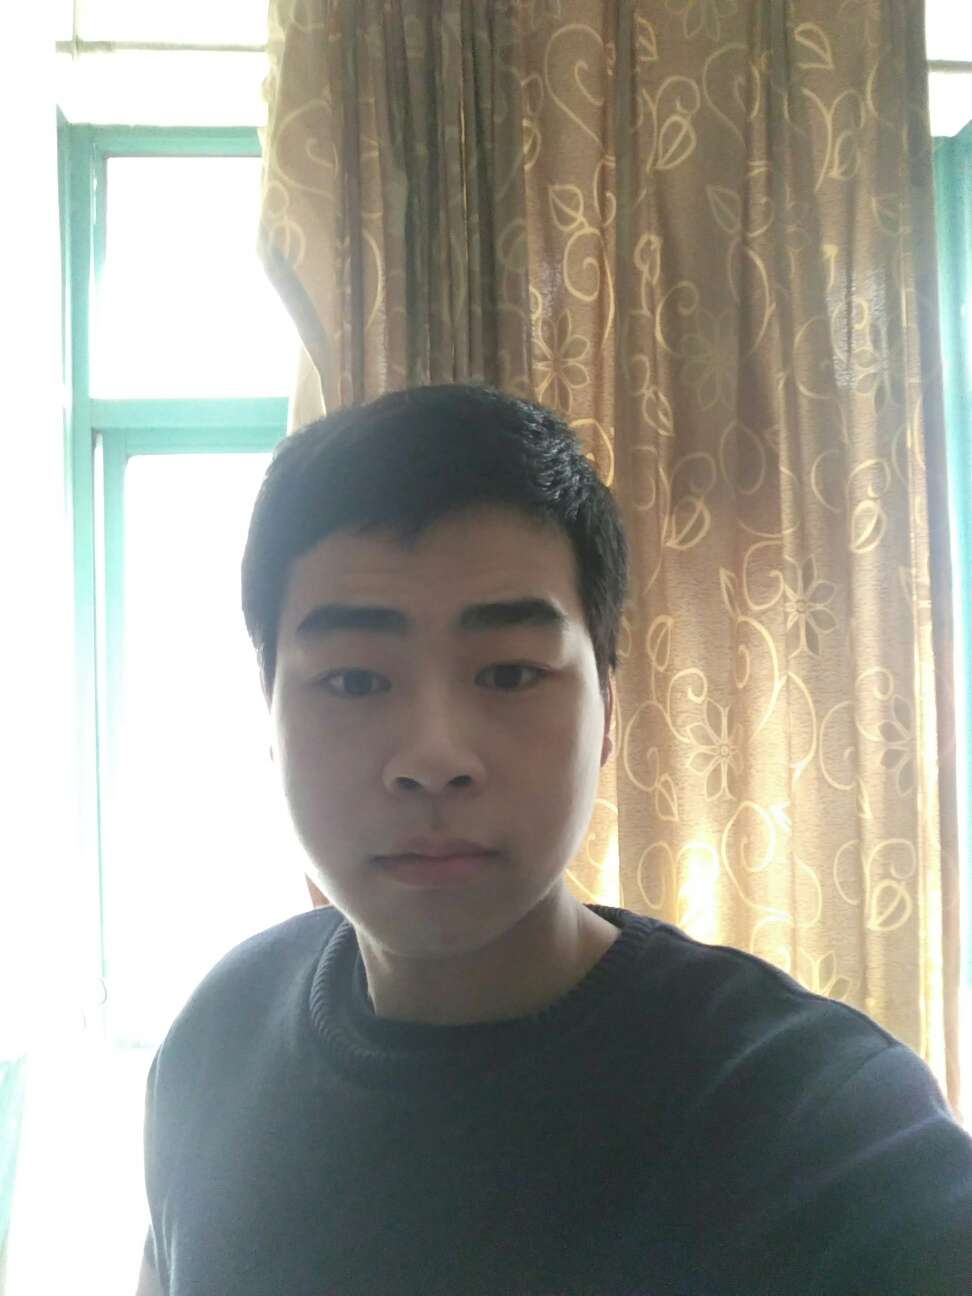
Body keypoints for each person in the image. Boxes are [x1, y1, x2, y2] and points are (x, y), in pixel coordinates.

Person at [136, 383, 972, 1296]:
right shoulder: (214, 1045)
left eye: (508, 674)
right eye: (354, 682)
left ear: (606, 710)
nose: (434, 758)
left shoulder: (819, 1124)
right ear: (268, 714)